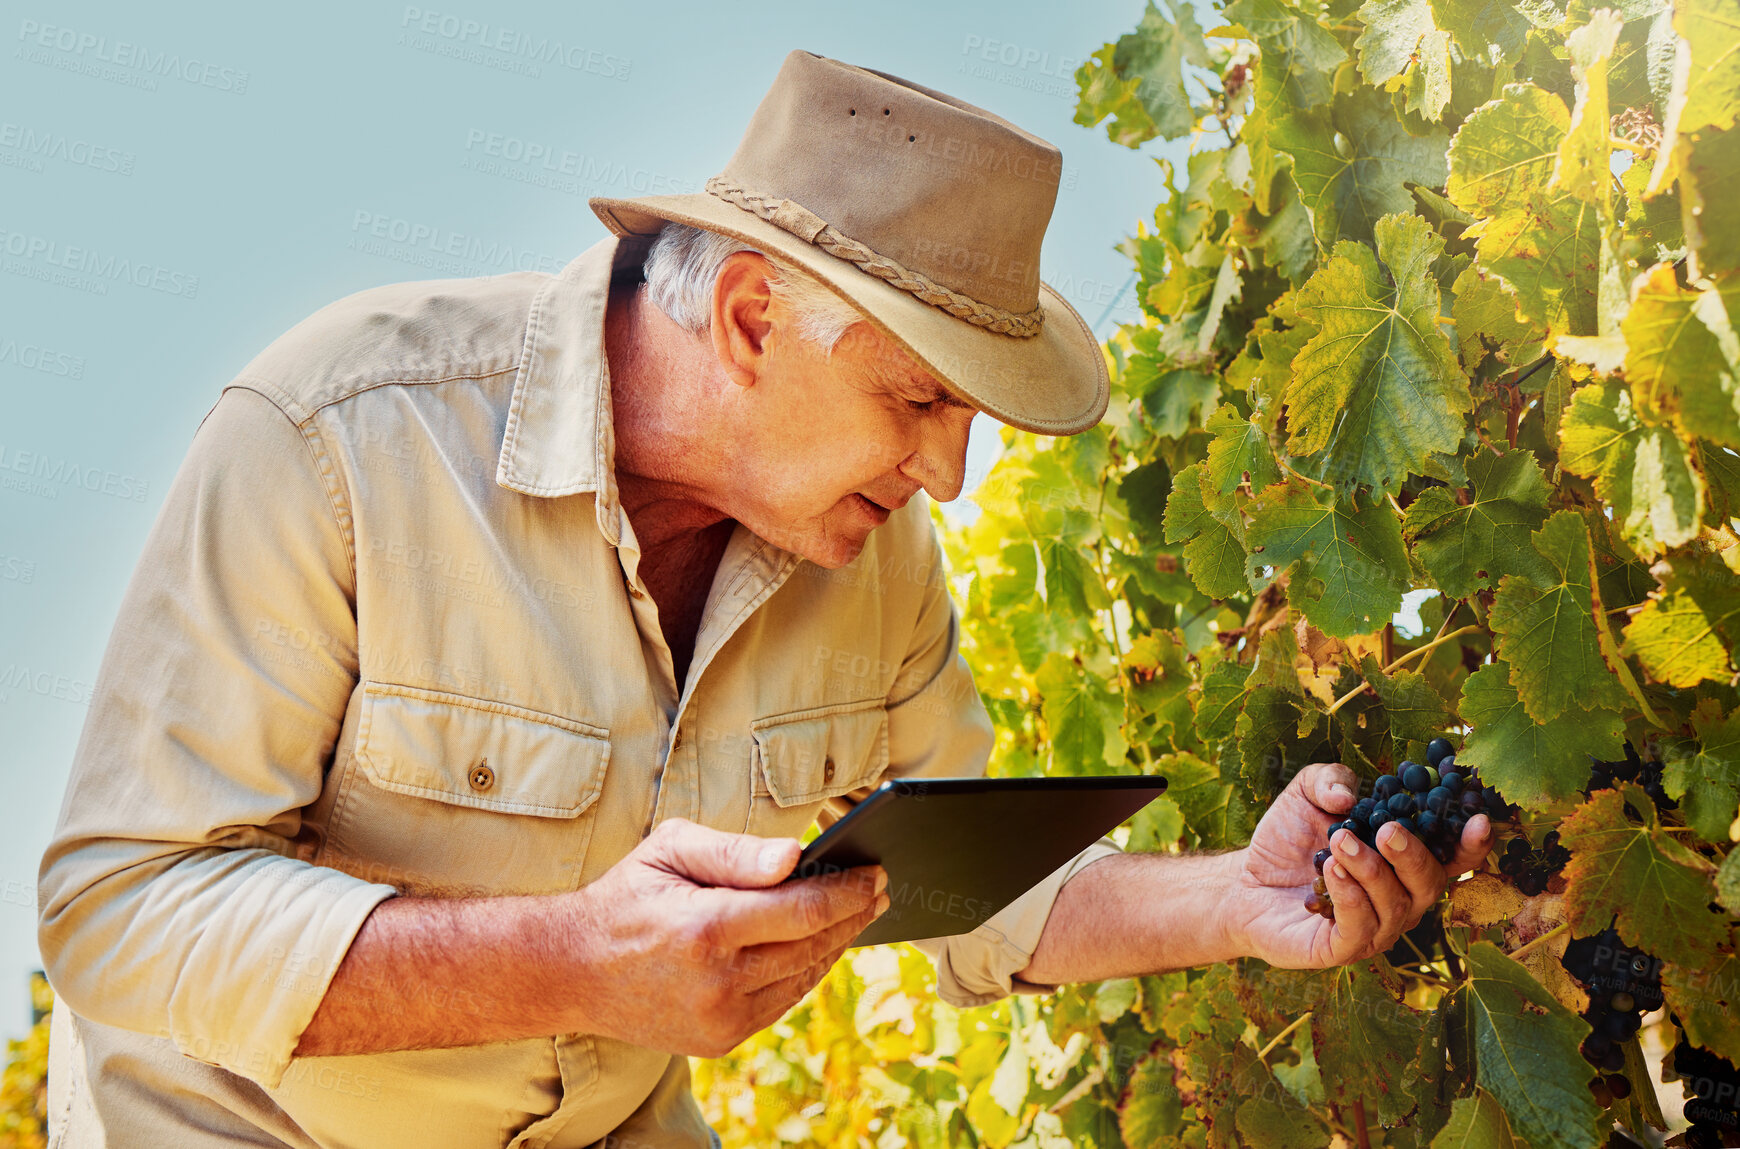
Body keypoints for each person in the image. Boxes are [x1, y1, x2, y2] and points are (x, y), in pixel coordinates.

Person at [36, 49, 1493, 1149]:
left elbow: (960, 890)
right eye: (919, 397)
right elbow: (121, 912)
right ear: (749, 320)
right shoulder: (342, 436)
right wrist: (576, 964)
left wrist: (1237, 899)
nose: (952, 473)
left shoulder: (874, 564)